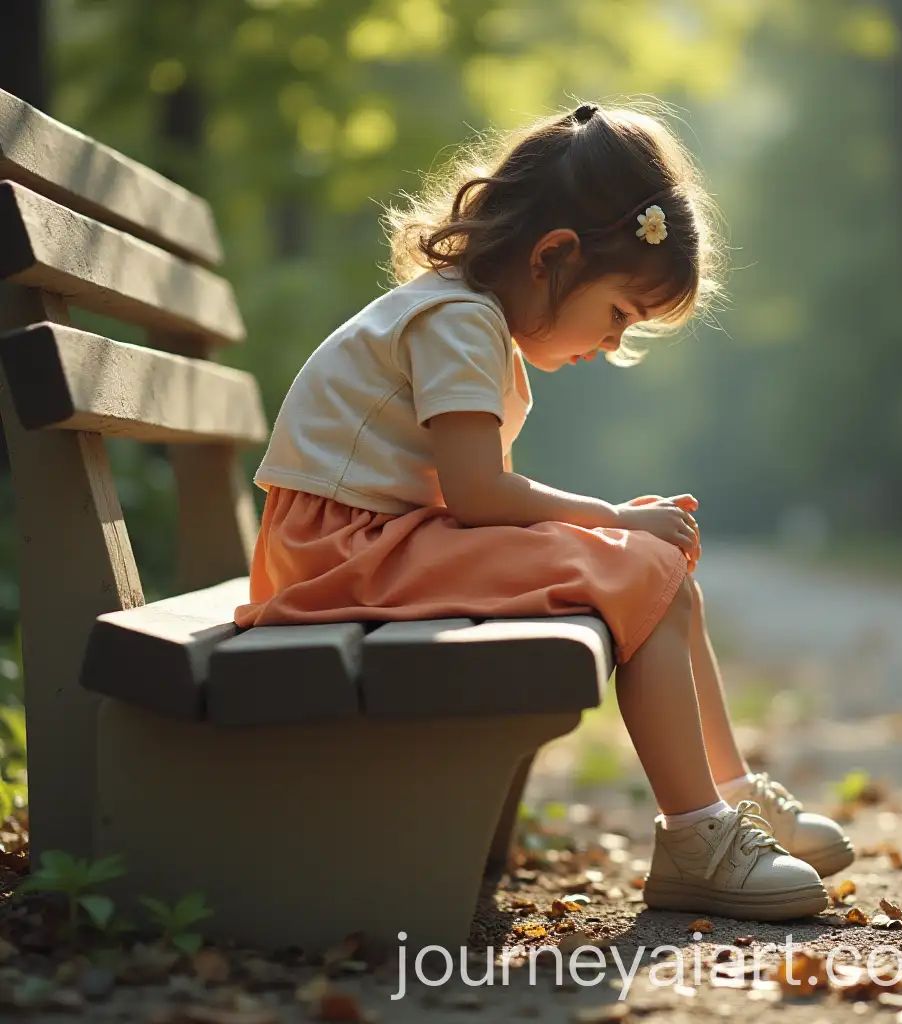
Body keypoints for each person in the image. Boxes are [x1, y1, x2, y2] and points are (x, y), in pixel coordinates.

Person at [235, 100, 854, 921]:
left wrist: (609, 528)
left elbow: (478, 501)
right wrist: (608, 520)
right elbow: (480, 496)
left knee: (663, 574)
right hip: (345, 555)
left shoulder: (466, 313)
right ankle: (698, 838)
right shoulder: (458, 321)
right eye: (618, 316)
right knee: (644, 564)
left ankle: (729, 799)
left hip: (370, 545)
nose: (608, 347)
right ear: (553, 256)